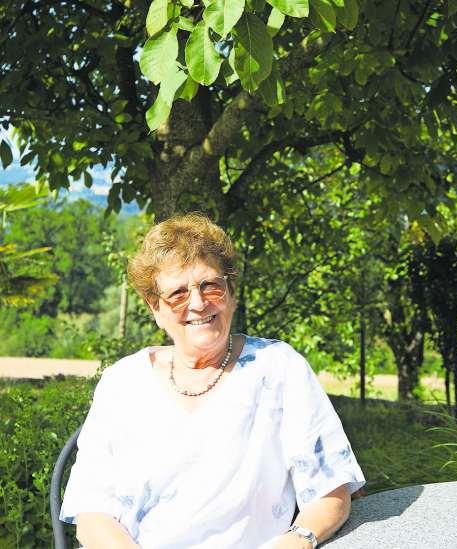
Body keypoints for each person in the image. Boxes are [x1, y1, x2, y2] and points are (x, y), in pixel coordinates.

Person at [60, 213, 365, 549]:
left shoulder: (279, 368)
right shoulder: (122, 383)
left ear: (231, 293)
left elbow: (331, 489)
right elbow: (91, 513)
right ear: (156, 308)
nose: (198, 303)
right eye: (177, 293)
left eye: (210, 285)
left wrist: (297, 540)